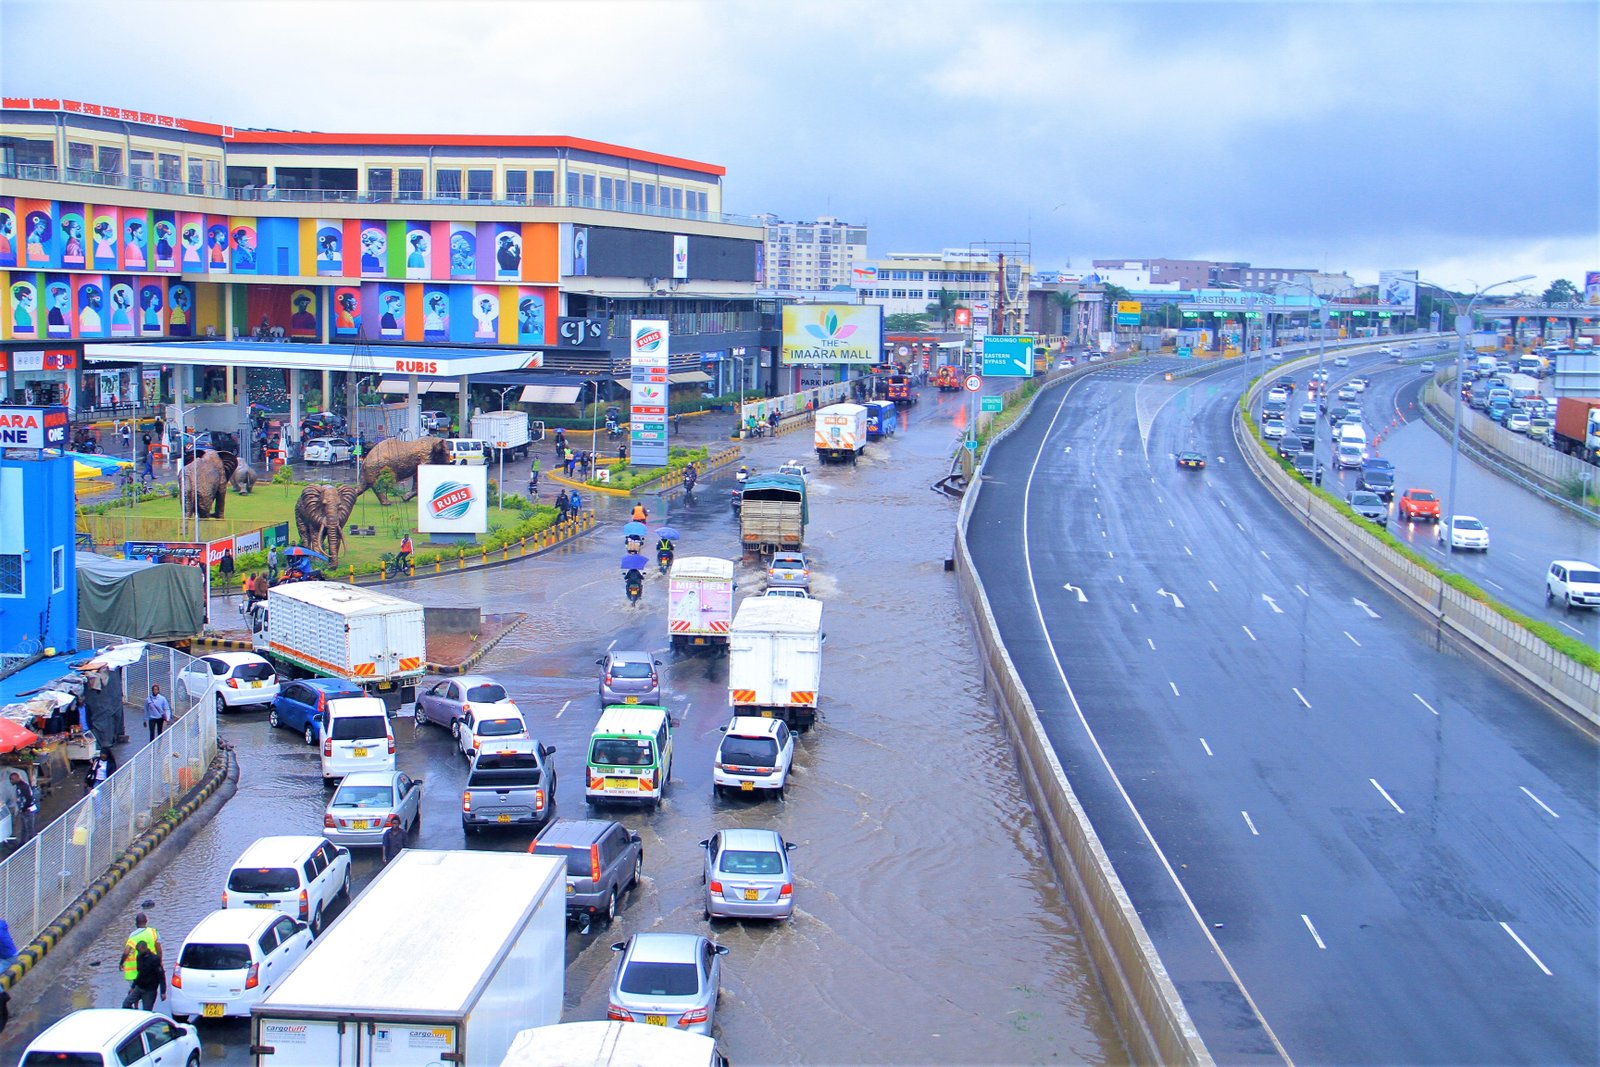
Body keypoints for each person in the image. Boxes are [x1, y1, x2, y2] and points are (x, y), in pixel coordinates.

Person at [122, 940, 166, 1011]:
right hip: (139, 987)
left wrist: (163, 991)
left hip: (150, 990)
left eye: (139, 950)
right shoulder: (139, 957)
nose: (138, 952)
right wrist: (133, 987)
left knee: (146, 1011)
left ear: (144, 948)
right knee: (126, 1004)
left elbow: (161, 976)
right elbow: (139, 974)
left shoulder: (154, 959)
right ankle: (135, 1015)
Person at [7, 773, 35, 844]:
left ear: (17, 778)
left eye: (12, 779)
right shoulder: (19, 786)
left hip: (27, 810)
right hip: (24, 810)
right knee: (24, 828)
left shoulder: (23, 786)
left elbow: (29, 799)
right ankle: (23, 843)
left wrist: (24, 808)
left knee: (28, 828)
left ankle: (31, 844)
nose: (11, 781)